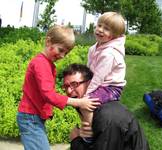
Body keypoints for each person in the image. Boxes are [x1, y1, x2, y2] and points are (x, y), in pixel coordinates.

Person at [16, 25, 100, 150]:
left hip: (33, 117)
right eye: (60, 50)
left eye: (66, 53)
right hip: (31, 118)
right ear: (48, 41)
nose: (62, 55)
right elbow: (48, 94)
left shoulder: (46, 63)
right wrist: (79, 102)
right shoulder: (41, 63)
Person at [62, 63, 150, 150]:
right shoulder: (90, 108)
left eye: (74, 84)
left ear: (90, 83)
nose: (69, 91)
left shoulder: (107, 117)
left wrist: (75, 141)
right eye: (66, 86)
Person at [81, 11, 127, 142]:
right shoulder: (93, 48)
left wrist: (87, 93)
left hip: (111, 87)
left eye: (106, 29)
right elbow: (89, 70)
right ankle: (88, 124)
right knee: (78, 97)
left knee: (86, 103)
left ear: (114, 35)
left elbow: (99, 77)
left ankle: (89, 135)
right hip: (100, 83)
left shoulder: (109, 54)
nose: (100, 30)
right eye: (99, 25)